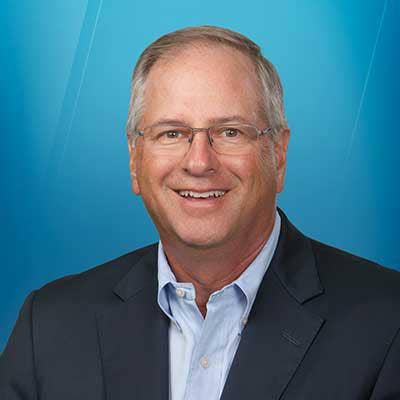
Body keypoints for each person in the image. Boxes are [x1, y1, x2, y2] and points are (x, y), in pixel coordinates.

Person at [1, 25, 399, 400]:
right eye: (172, 133)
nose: (199, 162)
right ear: (134, 159)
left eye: (230, 132)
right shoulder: (50, 326)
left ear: (278, 154)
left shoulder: (387, 323)